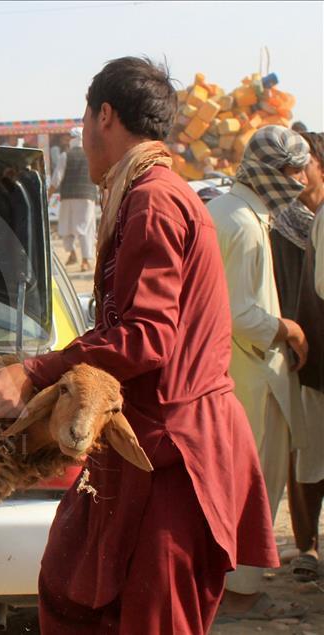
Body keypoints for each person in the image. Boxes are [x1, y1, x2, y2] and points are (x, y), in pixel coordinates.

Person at [0, 56, 279, 633]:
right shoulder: (144, 192)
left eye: (84, 121)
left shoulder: (153, 199)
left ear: (105, 116)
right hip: (141, 443)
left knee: (155, 619)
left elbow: (144, 337)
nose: (83, 136)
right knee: (71, 591)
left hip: (173, 451)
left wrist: (34, 373)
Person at [207, 125, 310, 619]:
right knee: (256, 485)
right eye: (295, 172)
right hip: (251, 374)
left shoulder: (226, 210)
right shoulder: (244, 225)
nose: (300, 182)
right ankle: (242, 593)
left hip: (227, 372)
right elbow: (239, 314)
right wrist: (289, 330)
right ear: (276, 172)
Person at [287, 131, 324, 582]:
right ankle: (306, 546)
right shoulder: (280, 219)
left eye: (304, 163)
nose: (296, 173)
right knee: (307, 453)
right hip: (302, 348)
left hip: (312, 345)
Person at [48, 127, 100, 271]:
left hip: (68, 198)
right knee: (85, 228)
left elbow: (56, 179)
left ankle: (73, 254)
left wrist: (47, 195)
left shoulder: (65, 155)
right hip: (87, 198)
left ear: (73, 139)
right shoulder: (92, 155)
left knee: (66, 227)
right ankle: (85, 260)